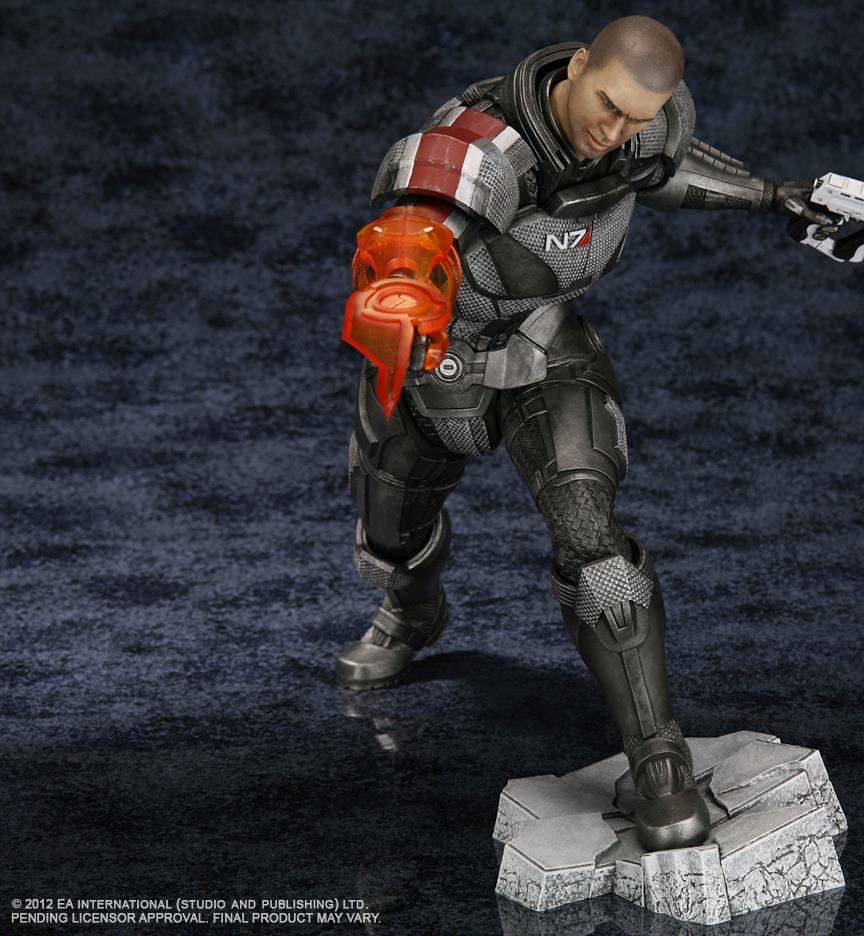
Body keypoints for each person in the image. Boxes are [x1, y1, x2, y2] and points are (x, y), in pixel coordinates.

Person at [336, 16, 834, 852]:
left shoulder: (641, 133)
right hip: (441, 356)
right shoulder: (479, 146)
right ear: (575, 68)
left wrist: (771, 194)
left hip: (543, 343)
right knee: (390, 529)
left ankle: (659, 759)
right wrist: (402, 298)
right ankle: (412, 611)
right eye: (607, 105)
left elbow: (665, 171)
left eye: (637, 116)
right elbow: (416, 229)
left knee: (591, 536)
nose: (614, 130)